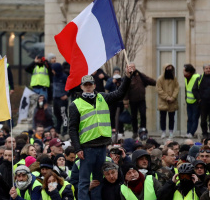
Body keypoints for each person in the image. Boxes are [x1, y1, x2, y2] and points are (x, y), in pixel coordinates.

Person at [68, 66, 133, 200]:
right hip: (87, 148)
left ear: (94, 85)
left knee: (98, 180)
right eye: (85, 85)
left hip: (102, 146)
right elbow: (72, 128)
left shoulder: (102, 97)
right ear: (81, 87)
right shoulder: (75, 104)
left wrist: (127, 76)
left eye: (90, 84)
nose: (88, 87)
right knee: (84, 181)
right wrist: (78, 148)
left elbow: (120, 93)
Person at [123, 62, 156, 139]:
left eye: (133, 67)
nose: (133, 68)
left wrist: (157, 83)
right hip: (132, 100)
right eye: (131, 67)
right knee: (134, 117)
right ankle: (135, 132)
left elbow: (148, 80)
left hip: (141, 100)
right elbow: (126, 90)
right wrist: (126, 102)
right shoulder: (128, 77)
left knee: (143, 115)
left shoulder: (140, 75)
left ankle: (143, 130)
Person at [156, 64, 179, 139]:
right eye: (168, 68)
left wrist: (173, 97)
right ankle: (163, 131)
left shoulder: (174, 78)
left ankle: (171, 132)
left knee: (172, 118)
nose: (169, 69)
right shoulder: (160, 79)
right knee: (163, 117)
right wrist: (167, 97)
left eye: (170, 68)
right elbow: (159, 90)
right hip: (163, 101)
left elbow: (177, 88)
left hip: (172, 101)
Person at [52, 62, 69, 135]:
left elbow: (70, 87)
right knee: (57, 115)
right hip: (55, 99)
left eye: (53, 69)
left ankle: (65, 132)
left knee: (64, 115)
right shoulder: (54, 76)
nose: (52, 71)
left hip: (62, 100)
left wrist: (67, 95)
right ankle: (57, 130)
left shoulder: (64, 77)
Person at [184, 64, 200, 138]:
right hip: (188, 101)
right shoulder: (186, 78)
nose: (183, 72)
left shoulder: (197, 77)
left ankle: (191, 132)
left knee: (194, 118)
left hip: (195, 102)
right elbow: (186, 89)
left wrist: (199, 99)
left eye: (184, 70)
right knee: (189, 118)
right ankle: (188, 132)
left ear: (189, 71)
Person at [195, 64, 210, 139]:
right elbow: (194, 89)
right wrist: (199, 98)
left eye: (209, 68)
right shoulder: (200, 78)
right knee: (203, 120)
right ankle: (204, 133)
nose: (208, 70)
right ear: (203, 69)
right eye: (206, 68)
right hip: (203, 102)